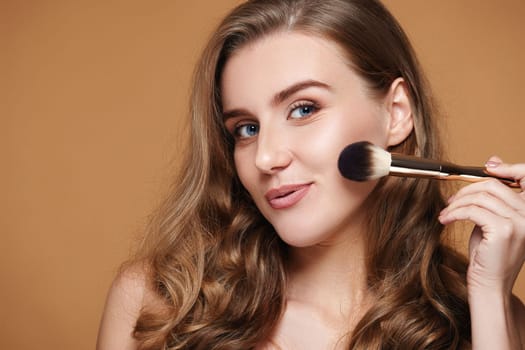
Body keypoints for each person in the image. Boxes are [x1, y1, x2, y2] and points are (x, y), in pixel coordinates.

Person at [96, 0, 525, 348]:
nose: (265, 157)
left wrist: (489, 298)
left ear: (396, 114)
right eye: (246, 128)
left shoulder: (490, 321)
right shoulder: (156, 306)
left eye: (303, 109)